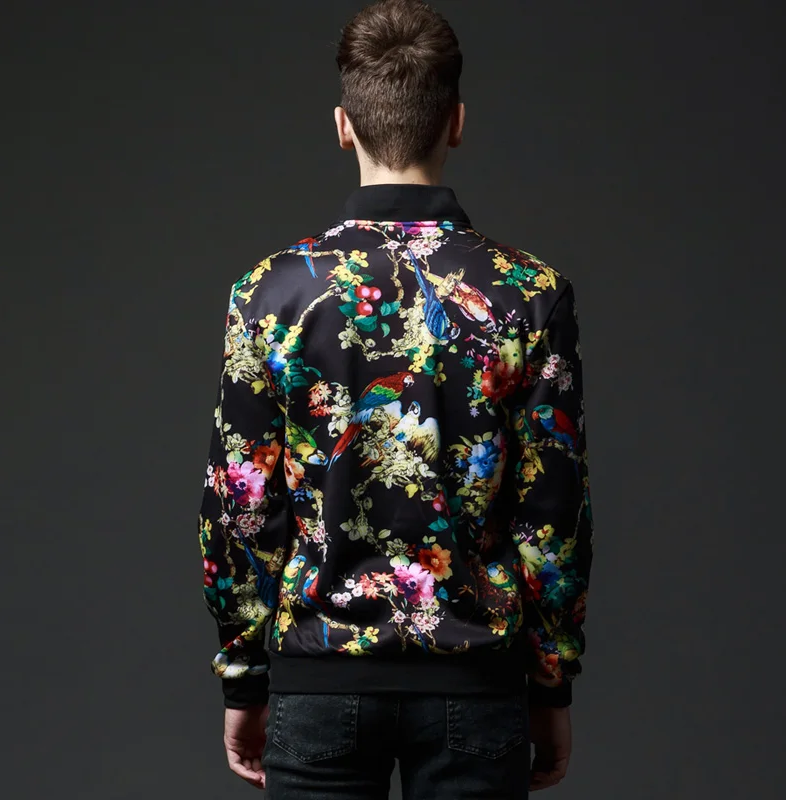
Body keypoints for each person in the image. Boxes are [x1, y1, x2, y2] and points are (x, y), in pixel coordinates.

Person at [197, 1, 594, 796]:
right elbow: (551, 515)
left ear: (343, 127)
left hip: (319, 677)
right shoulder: (528, 293)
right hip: (478, 682)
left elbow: (239, 504)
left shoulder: (272, 292)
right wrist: (551, 684)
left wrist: (243, 677)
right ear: (457, 122)